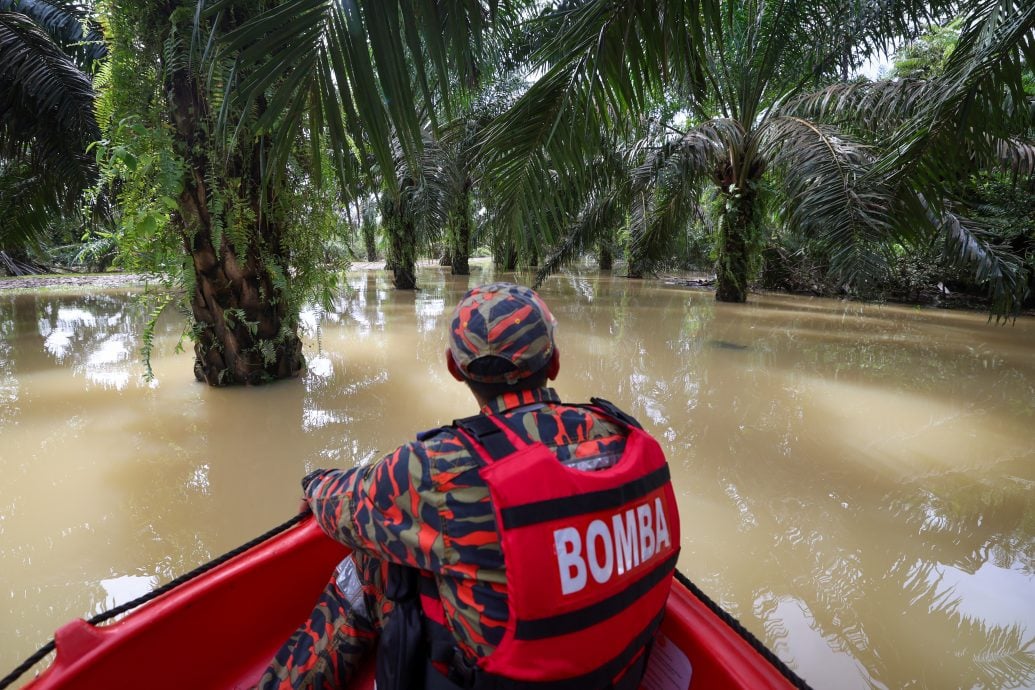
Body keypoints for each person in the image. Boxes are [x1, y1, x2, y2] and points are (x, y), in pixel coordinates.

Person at [259, 282, 680, 690]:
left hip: (504, 679)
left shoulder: (441, 467)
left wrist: (313, 482)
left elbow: (345, 508)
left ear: (453, 367)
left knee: (373, 562)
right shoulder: (625, 433)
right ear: (553, 363)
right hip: (618, 673)